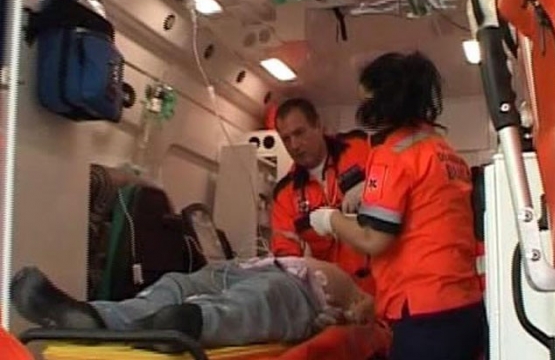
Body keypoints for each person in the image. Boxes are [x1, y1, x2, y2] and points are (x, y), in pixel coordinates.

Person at [308, 51, 486, 360]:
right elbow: (426, 235)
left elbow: (373, 238)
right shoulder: (444, 151)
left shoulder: (393, 153)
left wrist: (329, 219)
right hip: (465, 308)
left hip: (425, 318)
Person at [10, 257, 375, 351]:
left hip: (301, 289)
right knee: (175, 283)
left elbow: (372, 314)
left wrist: (350, 315)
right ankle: (93, 316)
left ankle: (189, 322)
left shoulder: (368, 279)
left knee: (265, 297)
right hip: (237, 267)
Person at [271, 97, 374, 294]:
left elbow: (401, 181)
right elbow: (286, 258)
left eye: (299, 133)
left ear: (318, 125)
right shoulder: (285, 195)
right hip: (334, 296)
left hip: (384, 286)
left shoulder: (360, 147)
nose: (294, 145)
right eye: (286, 139)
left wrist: (372, 187)